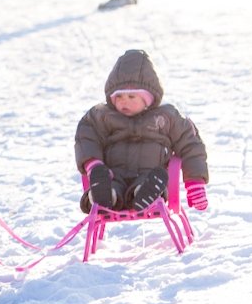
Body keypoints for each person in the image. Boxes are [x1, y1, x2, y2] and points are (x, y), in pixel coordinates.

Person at [75, 50, 209, 214]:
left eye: (131, 96)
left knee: (149, 182)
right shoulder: (102, 116)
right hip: (112, 175)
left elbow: (191, 144)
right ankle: (103, 196)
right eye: (119, 97)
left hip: (149, 175)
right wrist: (93, 165)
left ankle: (146, 194)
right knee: (109, 185)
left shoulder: (166, 117)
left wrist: (195, 182)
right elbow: (86, 137)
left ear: (149, 98)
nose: (124, 101)